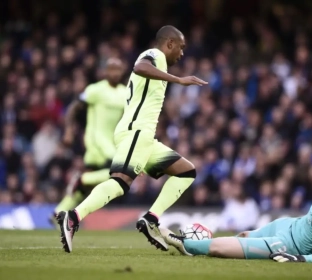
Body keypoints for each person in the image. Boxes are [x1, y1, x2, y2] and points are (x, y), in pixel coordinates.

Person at [57, 25, 207, 253]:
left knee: (186, 171)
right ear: (169, 44)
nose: (182, 53)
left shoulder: (159, 63)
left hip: (144, 136)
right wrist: (178, 80)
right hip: (136, 132)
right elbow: (139, 67)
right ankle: (73, 217)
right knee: (120, 182)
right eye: (181, 47)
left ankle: (151, 219)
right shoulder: (155, 55)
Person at [162, 142, 312, 262]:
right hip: (288, 225)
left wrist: (298, 259)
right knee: (243, 236)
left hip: (286, 244)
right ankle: (193, 242)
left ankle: (185, 243)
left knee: (220, 248)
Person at [50, 58, 126, 226]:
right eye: (111, 69)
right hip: (96, 142)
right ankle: (83, 178)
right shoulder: (95, 90)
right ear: (105, 72)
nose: (115, 73)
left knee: (85, 188)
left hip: (112, 142)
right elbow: (73, 108)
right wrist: (69, 130)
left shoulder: (125, 93)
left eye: (118, 69)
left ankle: (58, 212)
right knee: (121, 173)